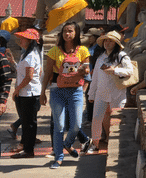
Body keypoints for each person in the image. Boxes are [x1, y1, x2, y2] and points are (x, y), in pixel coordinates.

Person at [41, 21, 91, 169]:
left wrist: (84, 72)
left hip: (75, 90)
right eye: (64, 31)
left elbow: (88, 71)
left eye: (70, 31)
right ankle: (59, 157)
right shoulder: (54, 51)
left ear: (76, 33)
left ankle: (67, 143)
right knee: (59, 125)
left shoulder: (83, 50)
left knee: (76, 124)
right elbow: (48, 73)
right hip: (57, 90)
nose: (67, 34)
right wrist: (42, 92)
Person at [86, 31, 134, 154]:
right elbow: (95, 77)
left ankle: (115, 146)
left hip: (117, 93)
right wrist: (91, 94)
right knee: (96, 118)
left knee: (116, 120)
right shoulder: (100, 57)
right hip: (101, 94)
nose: (107, 43)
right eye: (106, 41)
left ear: (116, 43)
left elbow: (129, 71)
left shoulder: (122, 56)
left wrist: (115, 71)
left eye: (110, 41)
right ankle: (95, 144)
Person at [9, 28, 42, 158]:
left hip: (30, 94)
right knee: (26, 122)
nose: (20, 40)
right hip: (25, 93)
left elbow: (29, 76)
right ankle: (25, 147)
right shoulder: (26, 54)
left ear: (30, 40)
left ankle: (28, 150)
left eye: (23, 38)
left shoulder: (32, 55)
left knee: (29, 123)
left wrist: (17, 89)